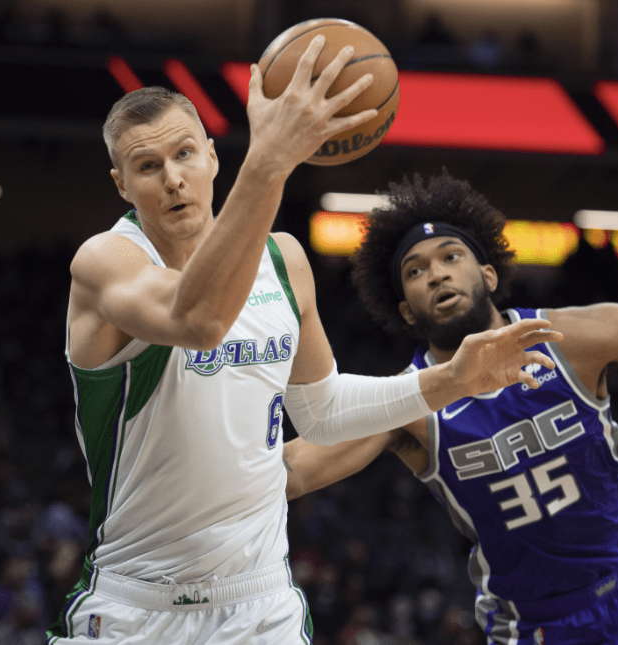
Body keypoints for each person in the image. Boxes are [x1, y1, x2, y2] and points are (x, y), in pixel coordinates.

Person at [47, 38, 561, 645]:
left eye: (184, 154)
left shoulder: (284, 260)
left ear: (211, 156)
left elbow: (321, 412)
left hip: (259, 605)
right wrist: (270, 158)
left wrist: (454, 379)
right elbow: (199, 320)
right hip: (137, 605)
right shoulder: (106, 262)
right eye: (148, 166)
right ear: (122, 184)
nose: (174, 179)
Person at [285, 169, 618, 644]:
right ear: (406, 310)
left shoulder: (571, 339)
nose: (437, 274)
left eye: (451, 256)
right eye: (415, 271)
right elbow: (294, 472)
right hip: (534, 626)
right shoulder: (406, 405)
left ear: (488, 274)